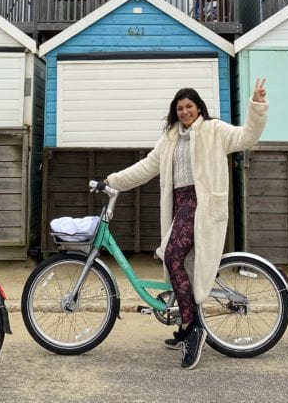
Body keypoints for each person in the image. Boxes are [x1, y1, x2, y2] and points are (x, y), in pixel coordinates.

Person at [104, 79, 268, 370]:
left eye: (189, 106)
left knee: (171, 256)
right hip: (181, 204)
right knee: (179, 263)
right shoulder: (169, 138)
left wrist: (256, 105)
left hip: (201, 203)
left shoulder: (214, 131)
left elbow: (247, 137)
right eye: (179, 108)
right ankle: (186, 325)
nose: (184, 111)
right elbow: (145, 168)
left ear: (199, 108)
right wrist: (113, 181)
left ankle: (192, 330)